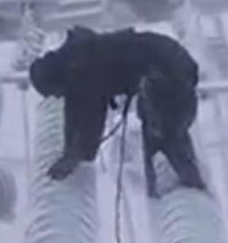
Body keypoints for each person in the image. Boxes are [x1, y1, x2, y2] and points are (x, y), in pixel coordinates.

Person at [28, 25, 207, 197]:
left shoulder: (81, 71)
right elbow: (76, 111)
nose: (59, 96)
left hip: (169, 70)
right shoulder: (72, 60)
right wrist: (71, 151)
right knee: (157, 131)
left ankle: (192, 186)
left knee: (167, 135)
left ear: (56, 80)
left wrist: (71, 158)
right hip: (168, 61)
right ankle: (170, 185)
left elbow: (90, 122)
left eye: (55, 92)